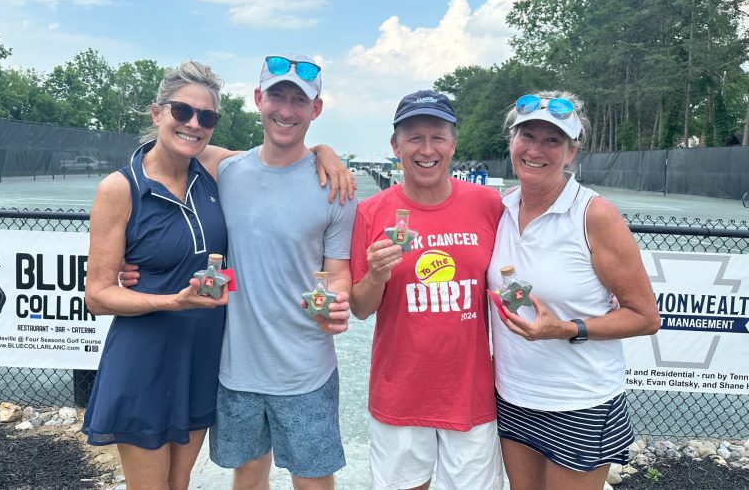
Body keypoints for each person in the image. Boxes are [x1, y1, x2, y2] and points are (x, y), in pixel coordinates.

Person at [82, 60, 351, 489]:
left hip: (205, 359)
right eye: (182, 112)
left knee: (181, 481)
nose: (193, 124)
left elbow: (283, 160)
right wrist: (171, 299)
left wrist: (326, 151)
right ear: (157, 113)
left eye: (205, 117)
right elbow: (95, 294)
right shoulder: (130, 185)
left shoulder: (212, 172)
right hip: (153, 357)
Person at [487, 92, 661, 490]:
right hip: (513, 394)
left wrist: (567, 329)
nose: (536, 150)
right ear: (511, 142)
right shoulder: (500, 208)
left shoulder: (594, 214)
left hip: (580, 401)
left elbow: (645, 316)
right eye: (527, 135)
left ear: (572, 152)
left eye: (553, 141)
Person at [208, 52, 357, 489]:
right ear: (258, 99)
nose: (286, 111)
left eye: (299, 100)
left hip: (306, 368)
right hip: (237, 365)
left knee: (312, 478)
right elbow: (166, 154)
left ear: (316, 109)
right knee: (249, 474)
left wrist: (338, 300)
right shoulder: (226, 171)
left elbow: (339, 270)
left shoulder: (337, 188)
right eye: (277, 97)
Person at [349, 90, 505, 490]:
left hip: (469, 396)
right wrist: (377, 276)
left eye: (437, 137)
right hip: (399, 392)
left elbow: (525, 263)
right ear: (395, 146)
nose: (427, 149)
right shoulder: (372, 211)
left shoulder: (489, 204)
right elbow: (361, 308)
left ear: (453, 144)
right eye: (414, 137)